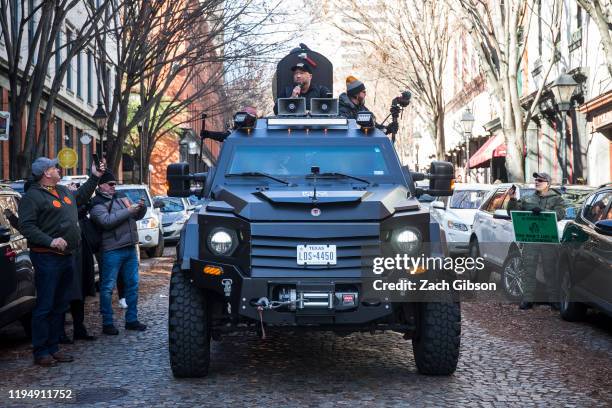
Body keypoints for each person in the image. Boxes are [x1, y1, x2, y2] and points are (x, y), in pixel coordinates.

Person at [18, 157, 104, 367]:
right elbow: (26, 226)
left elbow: (81, 197)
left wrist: (95, 177)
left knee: (60, 305)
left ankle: (54, 347)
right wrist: (50, 240)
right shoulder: (32, 197)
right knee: (45, 305)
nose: (58, 169)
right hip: (47, 258)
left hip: (67, 257)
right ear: (46, 173)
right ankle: (41, 351)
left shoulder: (63, 191)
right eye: (54, 167)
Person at [90, 172, 147, 335]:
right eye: (110, 184)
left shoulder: (122, 197)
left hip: (129, 247)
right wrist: (129, 210)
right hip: (111, 250)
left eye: (114, 184)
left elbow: (135, 216)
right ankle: (107, 323)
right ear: (100, 185)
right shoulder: (96, 203)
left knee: (133, 285)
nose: (113, 186)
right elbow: (106, 222)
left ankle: (132, 320)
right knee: (107, 287)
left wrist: (141, 208)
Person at [507, 172, 566, 310]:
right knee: (529, 269)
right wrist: (512, 199)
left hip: (548, 239)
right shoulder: (528, 199)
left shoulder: (557, 198)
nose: (537, 182)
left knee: (550, 270)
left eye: (540, 180)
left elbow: (560, 214)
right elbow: (512, 213)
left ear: (548, 183)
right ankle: (528, 299)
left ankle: (553, 300)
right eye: (536, 179)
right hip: (531, 239)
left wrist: (543, 211)